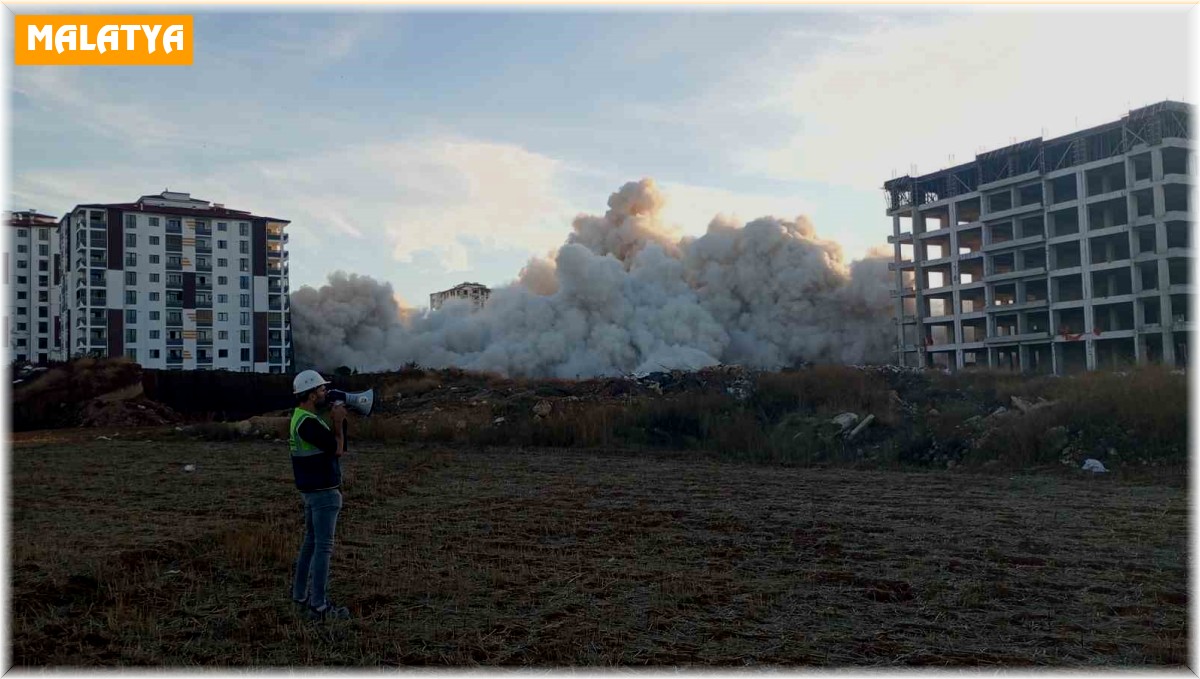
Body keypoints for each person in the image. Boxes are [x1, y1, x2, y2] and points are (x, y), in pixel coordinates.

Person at [289, 369, 351, 620]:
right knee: (323, 548)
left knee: (310, 543)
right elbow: (338, 449)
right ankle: (319, 606)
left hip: (311, 490)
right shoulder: (309, 423)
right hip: (322, 492)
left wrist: (336, 423)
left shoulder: (300, 418)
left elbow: (334, 444)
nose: (326, 392)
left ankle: (300, 595)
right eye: (322, 389)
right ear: (311, 394)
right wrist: (338, 422)